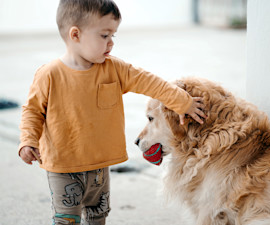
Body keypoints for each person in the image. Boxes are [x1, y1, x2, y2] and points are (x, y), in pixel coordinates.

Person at [18, 0, 206, 224]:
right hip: (63, 166)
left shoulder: (114, 69)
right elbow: (32, 111)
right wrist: (28, 141)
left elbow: (151, 83)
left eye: (113, 36)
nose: (110, 43)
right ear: (75, 35)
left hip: (99, 165)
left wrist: (183, 102)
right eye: (104, 36)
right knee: (66, 219)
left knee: (99, 214)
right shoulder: (49, 75)